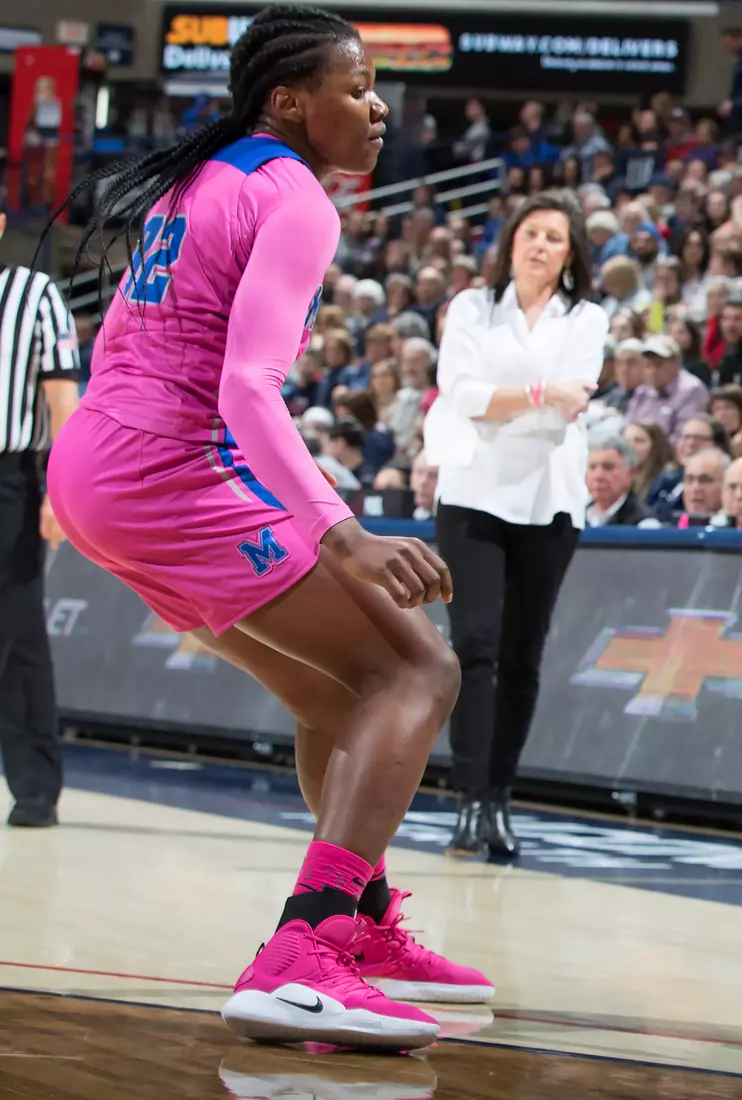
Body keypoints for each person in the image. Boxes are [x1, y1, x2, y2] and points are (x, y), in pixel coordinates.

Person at [42, 5, 488, 1050]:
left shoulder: (209, 174)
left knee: (334, 690)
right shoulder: (297, 195)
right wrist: (342, 534)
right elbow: (248, 386)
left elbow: (141, 344)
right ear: (291, 101)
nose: (379, 107)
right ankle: (310, 941)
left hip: (102, 466)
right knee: (420, 668)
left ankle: (363, 919)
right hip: (164, 466)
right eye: (359, 86)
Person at [424, 191, 605, 860]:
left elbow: (574, 400)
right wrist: (534, 394)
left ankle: (499, 798)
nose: (540, 246)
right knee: (474, 645)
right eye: (531, 233)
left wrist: (508, 403)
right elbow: (460, 393)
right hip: (472, 492)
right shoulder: (473, 306)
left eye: (555, 238)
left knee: (523, 657)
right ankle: (468, 798)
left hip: (550, 498)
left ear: (570, 255)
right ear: (511, 243)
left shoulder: (587, 317)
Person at [0, 213, 78, 829]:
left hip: (9, 479)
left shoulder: (35, 295)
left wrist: (58, 489)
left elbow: (60, 400)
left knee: (19, 632)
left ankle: (33, 788)